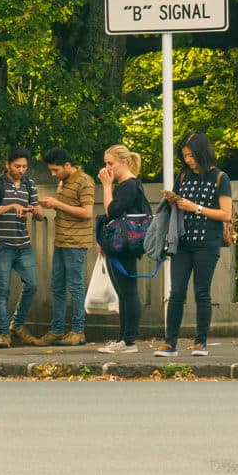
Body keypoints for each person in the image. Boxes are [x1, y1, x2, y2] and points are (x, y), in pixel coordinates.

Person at [156, 131, 232, 358]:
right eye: (185, 156)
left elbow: (225, 214)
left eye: (191, 155)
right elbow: (179, 206)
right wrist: (173, 201)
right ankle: (170, 343)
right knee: (176, 292)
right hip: (182, 242)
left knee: (202, 293)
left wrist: (195, 207)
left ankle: (201, 342)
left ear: (202, 152)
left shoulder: (220, 178)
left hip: (207, 243)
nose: (188, 160)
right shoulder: (182, 177)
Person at [0, 147, 42, 347]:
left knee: (32, 285)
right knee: (3, 291)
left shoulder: (29, 184)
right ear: (7, 165)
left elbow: (39, 214)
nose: (21, 170)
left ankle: (18, 324)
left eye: (24, 166)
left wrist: (36, 211)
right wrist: (10, 206)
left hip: (23, 244)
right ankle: (4, 335)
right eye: (17, 166)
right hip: (2, 245)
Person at [36, 147, 95, 346]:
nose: (53, 174)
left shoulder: (85, 181)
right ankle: (57, 330)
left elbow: (87, 212)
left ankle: (78, 331)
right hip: (60, 240)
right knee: (57, 287)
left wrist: (57, 205)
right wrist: (50, 205)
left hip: (76, 243)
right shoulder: (64, 181)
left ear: (67, 165)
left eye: (55, 170)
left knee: (76, 287)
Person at [95, 145, 149, 353]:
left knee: (128, 291)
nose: (107, 168)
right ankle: (123, 338)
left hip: (126, 245)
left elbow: (112, 212)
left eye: (111, 163)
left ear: (124, 162)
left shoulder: (129, 185)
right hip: (120, 245)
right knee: (123, 292)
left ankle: (129, 340)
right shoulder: (125, 185)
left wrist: (107, 186)